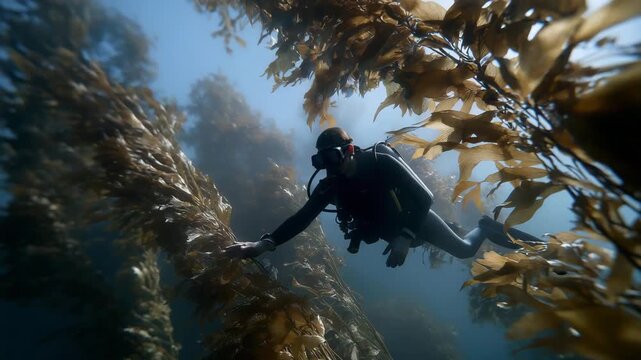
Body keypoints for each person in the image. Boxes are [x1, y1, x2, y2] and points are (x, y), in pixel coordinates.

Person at [223, 127, 542, 268]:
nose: (329, 168)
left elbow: (425, 197)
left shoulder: (378, 161)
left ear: (348, 151)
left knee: (462, 250)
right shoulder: (332, 185)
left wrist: (404, 237)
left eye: (332, 158)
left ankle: (486, 227)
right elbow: (302, 217)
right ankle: (459, 229)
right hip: (390, 230)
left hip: (414, 218)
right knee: (454, 243)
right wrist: (263, 244)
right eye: (321, 162)